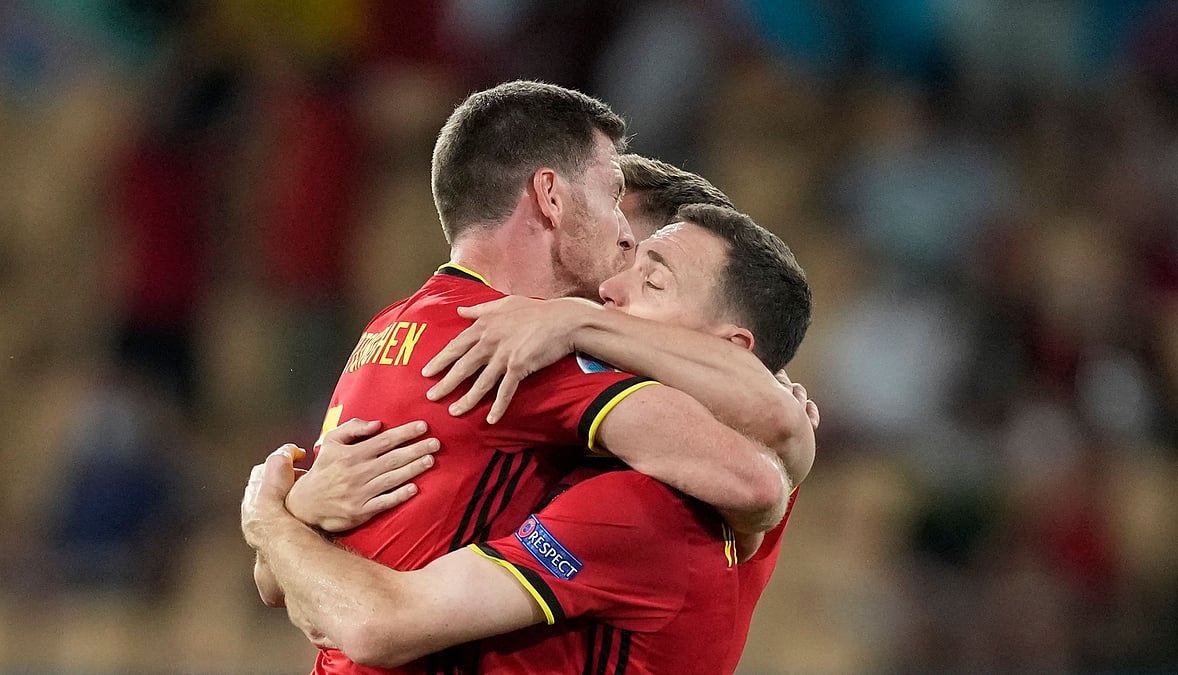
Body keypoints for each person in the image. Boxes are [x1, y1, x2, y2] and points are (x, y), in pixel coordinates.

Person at [252, 81, 804, 674]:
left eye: (649, 274)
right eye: (612, 198)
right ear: (551, 197)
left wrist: (277, 518)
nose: (620, 249)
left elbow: (278, 581)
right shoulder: (515, 352)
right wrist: (283, 519)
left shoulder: (387, 331)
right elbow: (759, 475)